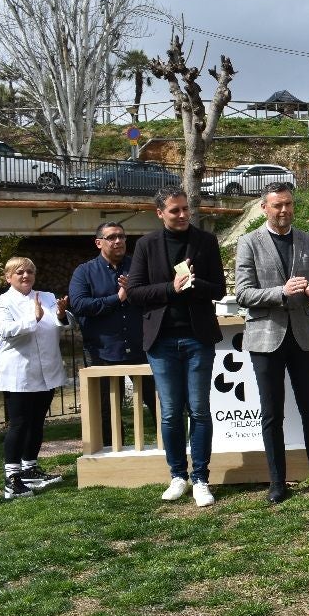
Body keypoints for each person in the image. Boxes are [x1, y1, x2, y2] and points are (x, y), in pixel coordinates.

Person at [235, 182, 309, 503]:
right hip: (266, 337)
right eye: (278, 205)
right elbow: (243, 293)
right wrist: (282, 292)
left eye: (289, 204)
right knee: (271, 413)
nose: (284, 210)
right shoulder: (248, 242)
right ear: (264, 208)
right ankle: (277, 480)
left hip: (303, 336)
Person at [128, 187, 226, 507]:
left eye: (185, 209)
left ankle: (200, 478)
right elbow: (136, 293)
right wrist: (171, 288)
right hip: (162, 341)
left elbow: (220, 289)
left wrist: (194, 285)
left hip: (198, 338)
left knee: (199, 410)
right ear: (160, 213)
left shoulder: (206, 241)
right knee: (170, 413)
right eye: (175, 210)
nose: (183, 215)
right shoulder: (146, 245)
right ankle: (177, 476)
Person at [68, 221, 155, 446]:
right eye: (112, 237)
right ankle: (111, 452)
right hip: (103, 350)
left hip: (142, 347)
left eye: (122, 236)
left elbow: (155, 297)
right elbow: (79, 305)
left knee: (159, 401)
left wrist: (135, 293)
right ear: (99, 243)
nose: (118, 241)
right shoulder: (84, 272)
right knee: (107, 407)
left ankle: (171, 451)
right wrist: (117, 298)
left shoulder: (139, 267)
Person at [0, 257, 68, 500]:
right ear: (8, 277)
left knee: (37, 422)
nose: (25, 276)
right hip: (19, 374)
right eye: (20, 272)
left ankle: (30, 469)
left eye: (30, 272)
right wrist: (32, 319)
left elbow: (62, 324)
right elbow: (4, 330)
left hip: (47, 370)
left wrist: (63, 314)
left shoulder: (46, 296)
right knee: (19, 424)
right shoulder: (0, 303)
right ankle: (11, 479)